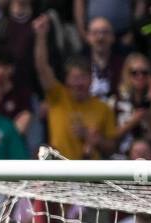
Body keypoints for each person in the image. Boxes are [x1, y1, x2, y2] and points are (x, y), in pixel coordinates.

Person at [34, 19, 117, 159]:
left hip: (90, 174)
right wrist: (41, 36)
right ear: (66, 80)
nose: (78, 83)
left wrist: (93, 139)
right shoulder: (57, 96)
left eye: (83, 77)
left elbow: (111, 147)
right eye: (74, 78)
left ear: (91, 79)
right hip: (58, 172)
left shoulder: (103, 108)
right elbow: (42, 68)